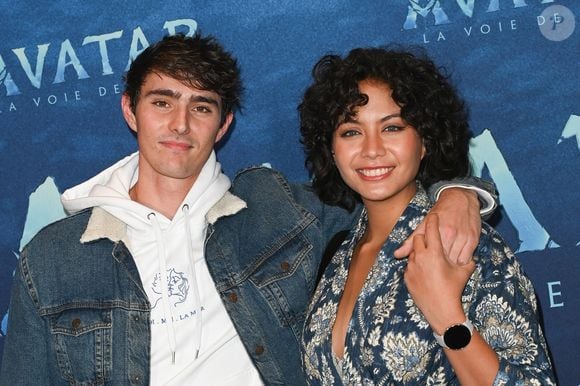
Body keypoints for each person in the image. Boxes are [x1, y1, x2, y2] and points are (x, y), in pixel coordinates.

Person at [0, 34, 495, 385]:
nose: (179, 125)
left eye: (201, 106)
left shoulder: (278, 206)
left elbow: (381, 178)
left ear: (223, 124)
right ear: (130, 109)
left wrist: (458, 192)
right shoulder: (52, 258)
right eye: (162, 102)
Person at [299, 47, 556, 385]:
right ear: (331, 148)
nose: (372, 149)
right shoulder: (337, 255)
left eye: (392, 128)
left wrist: (447, 318)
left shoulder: (466, 244)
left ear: (424, 142)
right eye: (351, 131)